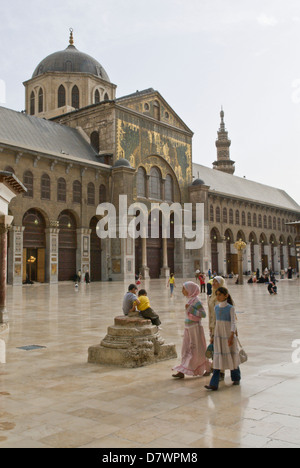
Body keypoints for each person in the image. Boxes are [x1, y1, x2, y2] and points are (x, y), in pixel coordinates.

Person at [172, 282, 211, 379]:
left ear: (190, 290)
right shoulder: (190, 299)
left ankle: (207, 367)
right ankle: (182, 370)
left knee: (196, 350)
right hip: (188, 328)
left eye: (184, 289)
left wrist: (190, 309)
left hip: (195, 328)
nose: (182, 291)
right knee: (185, 349)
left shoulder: (196, 301)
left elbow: (203, 314)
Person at [205, 287, 241, 391]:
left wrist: (231, 336)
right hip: (219, 335)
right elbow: (216, 322)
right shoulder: (216, 307)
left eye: (220, 294)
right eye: (217, 294)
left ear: (226, 295)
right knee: (217, 357)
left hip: (228, 335)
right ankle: (214, 384)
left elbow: (233, 322)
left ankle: (236, 377)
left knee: (231, 355)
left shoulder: (230, 308)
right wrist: (212, 337)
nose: (218, 296)